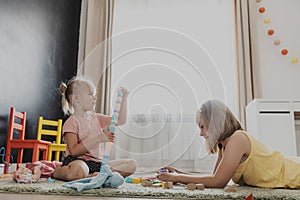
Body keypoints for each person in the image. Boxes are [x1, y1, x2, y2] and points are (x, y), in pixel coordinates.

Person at [157, 99, 300, 189]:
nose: (201, 134)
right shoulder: (224, 146)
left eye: (202, 127)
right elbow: (213, 178)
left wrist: (175, 177)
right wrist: (177, 173)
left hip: (294, 173)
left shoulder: (237, 139)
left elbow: (218, 182)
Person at [52, 76, 137, 181]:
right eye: (90, 94)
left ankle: (93, 176)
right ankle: (58, 171)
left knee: (131, 165)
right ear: (76, 98)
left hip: (97, 163)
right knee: (78, 171)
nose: (94, 98)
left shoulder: (97, 118)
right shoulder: (71, 122)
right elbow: (74, 151)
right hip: (78, 162)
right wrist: (99, 138)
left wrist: (124, 99)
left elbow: (120, 120)